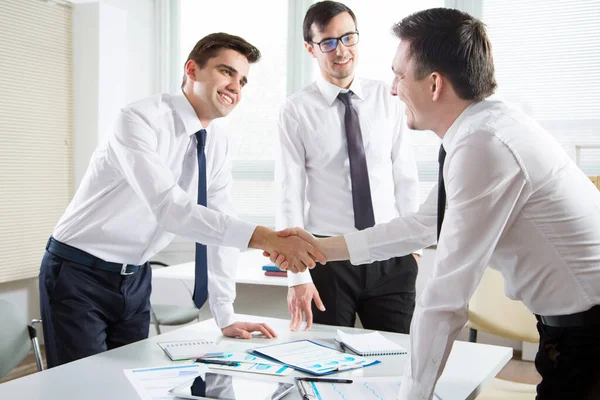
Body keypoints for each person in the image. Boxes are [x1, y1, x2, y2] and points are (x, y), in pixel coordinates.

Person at [268, 8, 600, 400]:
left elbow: (445, 297)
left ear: (435, 84)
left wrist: (413, 395)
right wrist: (319, 249)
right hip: (575, 327)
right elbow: (424, 224)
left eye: (400, 75)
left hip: (588, 334)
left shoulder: (484, 146)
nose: (392, 89)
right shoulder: (483, 129)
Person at [39, 32, 325, 368]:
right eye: (226, 72)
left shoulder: (216, 143)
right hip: (78, 272)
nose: (236, 86)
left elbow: (221, 228)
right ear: (192, 69)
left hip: (135, 279)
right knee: (81, 387)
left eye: (243, 81)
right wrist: (267, 237)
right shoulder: (138, 120)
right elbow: (170, 209)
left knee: (127, 381)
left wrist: (225, 314)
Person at [277, 0, 421, 333]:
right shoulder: (296, 111)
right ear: (310, 49)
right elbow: (289, 195)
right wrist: (297, 275)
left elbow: (405, 177)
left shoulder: (389, 97)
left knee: (394, 361)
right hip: (328, 257)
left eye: (348, 38)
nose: (340, 50)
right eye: (327, 42)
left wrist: (412, 251)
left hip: (391, 253)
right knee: (325, 364)